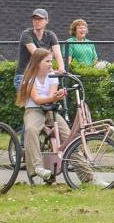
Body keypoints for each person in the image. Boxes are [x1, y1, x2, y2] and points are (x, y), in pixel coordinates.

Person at [15, 46, 88, 185]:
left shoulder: (52, 77)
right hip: (34, 110)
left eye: (51, 61)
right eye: (47, 61)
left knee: (69, 137)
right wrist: (55, 97)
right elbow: (37, 100)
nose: (50, 64)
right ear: (37, 63)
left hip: (50, 111)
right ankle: (37, 167)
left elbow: (50, 97)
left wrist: (57, 96)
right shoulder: (29, 78)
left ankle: (87, 176)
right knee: (30, 130)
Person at [17, 8, 64, 87]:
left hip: (41, 76)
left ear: (47, 21)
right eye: (35, 19)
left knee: (52, 95)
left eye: (40, 19)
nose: (37, 21)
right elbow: (37, 55)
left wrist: (61, 68)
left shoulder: (50, 35)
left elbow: (58, 54)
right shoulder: (26, 34)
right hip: (24, 76)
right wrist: (51, 70)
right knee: (36, 99)